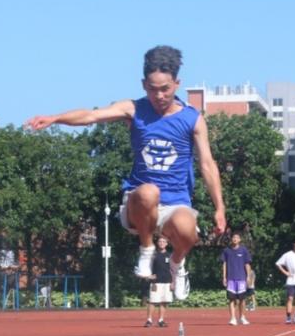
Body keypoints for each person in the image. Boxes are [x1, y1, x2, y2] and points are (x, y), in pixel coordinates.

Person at [25, 46, 226, 300]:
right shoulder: (133, 109)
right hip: (138, 203)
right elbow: (91, 115)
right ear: (143, 85)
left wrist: (219, 207)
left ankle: (177, 264)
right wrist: (55, 119)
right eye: (152, 89)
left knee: (188, 232)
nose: (159, 95)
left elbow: (207, 164)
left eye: (165, 89)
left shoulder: (192, 119)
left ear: (177, 83)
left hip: (176, 202)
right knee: (149, 191)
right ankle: (146, 249)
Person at [222, 231, 252, 325]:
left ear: (239, 239)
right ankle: (233, 318)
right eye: (233, 237)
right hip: (231, 279)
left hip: (241, 279)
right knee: (231, 299)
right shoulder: (227, 251)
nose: (235, 239)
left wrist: (248, 276)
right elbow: (224, 264)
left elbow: (247, 264)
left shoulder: (244, 250)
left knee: (242, 299)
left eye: (237, 237)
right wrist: (224, 277)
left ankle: (242, 317)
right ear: (231, 239)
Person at [145, 237, 172, 327]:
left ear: (167, 243)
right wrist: (148, 276)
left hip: (167, 282)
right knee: (153, 301)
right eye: (160, 241)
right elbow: (147, 267)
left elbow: (173, 270)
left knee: (164, 302)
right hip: (155, 282)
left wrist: (173, 282)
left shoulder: (170, 256)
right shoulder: (153, 255)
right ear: (157, 243)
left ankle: (161, 320)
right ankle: (149, 320)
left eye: (164, 241)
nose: (162, 243)